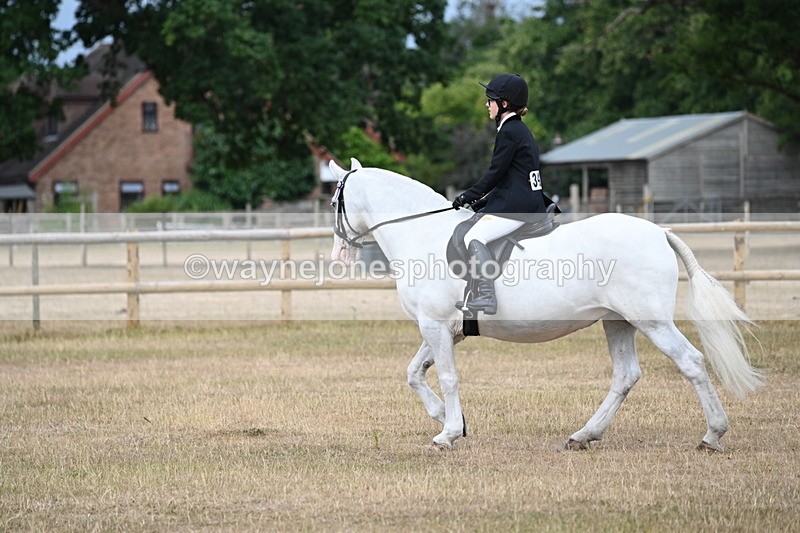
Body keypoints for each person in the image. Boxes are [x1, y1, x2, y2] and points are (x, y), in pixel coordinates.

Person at [452, 73, 547, 315]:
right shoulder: (519, 129)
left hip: (519, 207)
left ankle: (486, 295)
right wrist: (483, 201)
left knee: (474, 237)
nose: (487, 104)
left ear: (504, 104)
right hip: (525, 200)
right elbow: (510, 178)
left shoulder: (509, 131)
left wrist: (467, 196)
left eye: (490, 100)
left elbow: (495, 173)